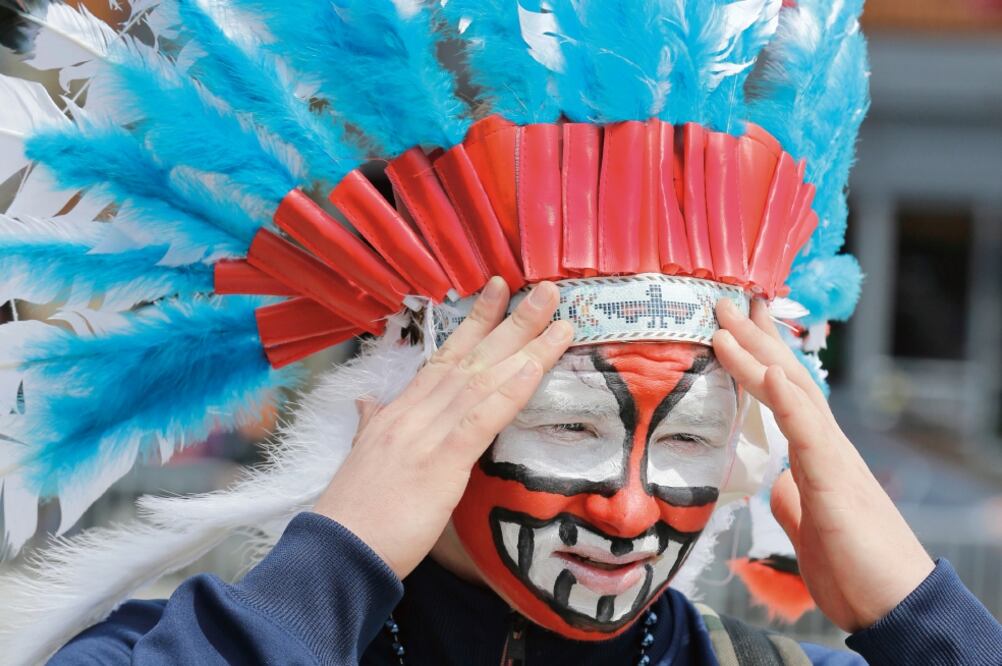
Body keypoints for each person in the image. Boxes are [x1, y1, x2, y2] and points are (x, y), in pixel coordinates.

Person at [0, 0, 999, 664]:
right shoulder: (231, 637)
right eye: (567, 424)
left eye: (692, 436)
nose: (627, 510)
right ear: (410, 404)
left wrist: (919, 614)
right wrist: (337, 558)